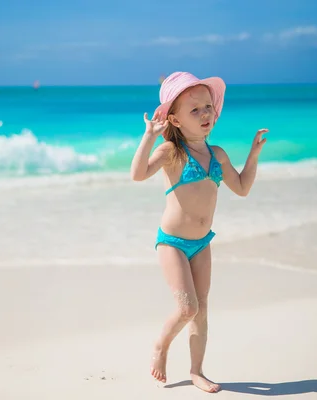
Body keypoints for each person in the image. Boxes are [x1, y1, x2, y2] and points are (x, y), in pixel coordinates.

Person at [130, 72, 268, 393]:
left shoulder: (217, 154)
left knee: (202, 308)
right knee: (187, 307)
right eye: (195, 110)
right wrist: (149, 136)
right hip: (173, 244)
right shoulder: (170, 153)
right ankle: (161, 346)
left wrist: (254, 154)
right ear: (174, 120)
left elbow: (243, 188)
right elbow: (137, 174)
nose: (206, 113)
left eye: (208, 106)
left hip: (202, 243)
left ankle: (196, 371)